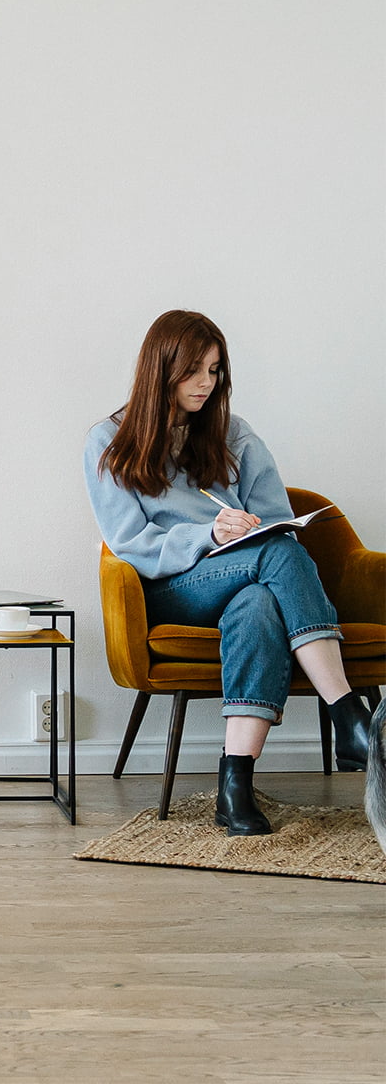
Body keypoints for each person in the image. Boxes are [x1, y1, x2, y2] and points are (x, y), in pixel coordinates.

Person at [85, 310, 372, 835]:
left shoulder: (233, 435)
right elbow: (130, 543)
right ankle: (347, 713)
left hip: (244, 575)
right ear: (161, 368)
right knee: (277, 559)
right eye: (194, 370)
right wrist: (208, 535)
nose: (205, 383)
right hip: (173, 586)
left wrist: (252, 527)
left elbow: (279, 520)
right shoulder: (109, 442)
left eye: (215, 371)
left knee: (260, 599)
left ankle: (234, 786)